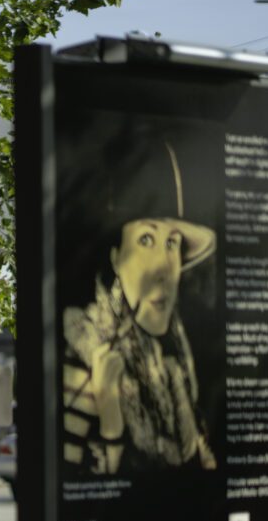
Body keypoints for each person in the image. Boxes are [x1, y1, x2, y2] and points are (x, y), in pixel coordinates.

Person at [62, 135, 216, 474]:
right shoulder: (85, 360)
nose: (164, 267)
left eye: (172, 243)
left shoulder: (177, 359)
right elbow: (76, 481)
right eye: (146, 240)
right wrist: (111, 425)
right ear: (116, 258)